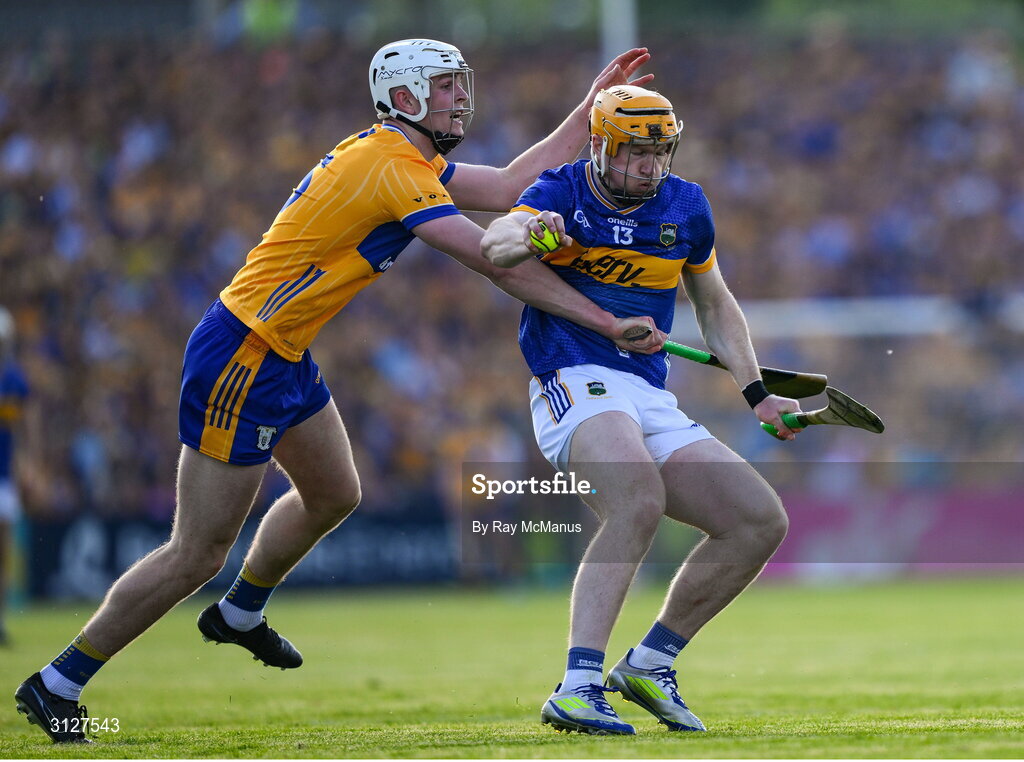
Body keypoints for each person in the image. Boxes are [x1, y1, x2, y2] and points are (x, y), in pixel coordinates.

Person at [14, 40, 664, 743]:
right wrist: (589, 301)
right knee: (196, 552)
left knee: (335, 493)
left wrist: (587, 106)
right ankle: (58, 682)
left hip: (283, 351)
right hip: (245, 351)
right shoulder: (391, 165)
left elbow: (507, 186)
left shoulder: (407, 158)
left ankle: (239, 614)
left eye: (456, 86)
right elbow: (490, 258)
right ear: (405, 96)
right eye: (443, 88)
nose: (457, 98)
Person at [481, 84, 803, 735]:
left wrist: (757, 390)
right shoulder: (560, 191)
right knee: (637, 498)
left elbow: (715, 305)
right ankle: (577, 684)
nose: (650, 166)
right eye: (634, 153)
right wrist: (528, 232)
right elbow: (495, 245)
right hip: (571, 376)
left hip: (648, 394)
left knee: (757, 520)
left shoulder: (685, 206)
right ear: (599, 145)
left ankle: (652, 662)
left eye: (660, 153)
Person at [0, 307, 29, 648]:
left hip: (4, 476)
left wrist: (28, 466)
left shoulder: (14, 379)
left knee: (4, 551)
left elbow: (25, 428)